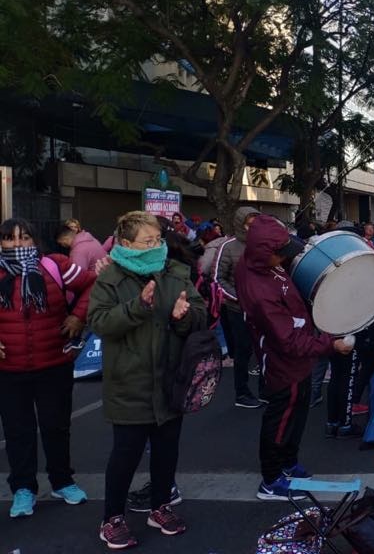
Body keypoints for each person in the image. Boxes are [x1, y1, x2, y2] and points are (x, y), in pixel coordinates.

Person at [88, 211, 206, 549]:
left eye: (157, 240)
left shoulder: (175, 272)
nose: (155, 246)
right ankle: (112, 517)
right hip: (129, 382)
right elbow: (99, 322)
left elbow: (200, 314)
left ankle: (160, 507)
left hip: (171, 379)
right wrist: (137, 307)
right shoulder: (110, 278)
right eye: (147, 241)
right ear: (126, 243)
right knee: (125, 454)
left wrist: (185, 316)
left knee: (166, 451)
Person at [234, 215, 353, 499]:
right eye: (282, 253)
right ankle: (271, 478)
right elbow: (288, 340)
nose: (286, 257)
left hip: (297, 359)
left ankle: (288, 462)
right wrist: (331, 345)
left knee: (297, 414)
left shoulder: (265, 264)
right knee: (281, 419)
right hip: (281, 364)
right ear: (266, 253)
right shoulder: (259, 290)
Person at [0, 218, 95, 519]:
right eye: (10, 238)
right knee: (18, 432)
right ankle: (23, 488)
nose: (18, 244)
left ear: (35, 240)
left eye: (25, 237)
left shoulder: (55, 265)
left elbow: (93, 283)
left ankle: (62, 481)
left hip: (54, 363)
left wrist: (79, 316)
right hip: (9, 369)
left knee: (56, 427)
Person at [215, 206, 263, 408]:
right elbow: (218, 279)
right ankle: (241, 393)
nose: (253, 226)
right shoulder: (228, 247)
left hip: (262, 309)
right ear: (240, 223)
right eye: (249, 223)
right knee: (243, 351)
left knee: (263, 349)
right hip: (238, 309)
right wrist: (239, 298)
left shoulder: (263, 243)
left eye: (256, 222)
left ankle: (264, 389)